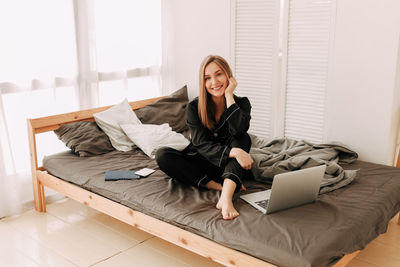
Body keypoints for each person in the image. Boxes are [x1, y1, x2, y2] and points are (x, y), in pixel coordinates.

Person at [156, 55, 253, 220]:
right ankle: (217, 187)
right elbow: (201, 144)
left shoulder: (242, 103)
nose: (214, 82)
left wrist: (229, 95)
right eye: (207, 78)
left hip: (226, 167)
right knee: (162, 155)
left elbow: (238, 129)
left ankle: (226, 198)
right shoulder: (194, 107)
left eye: (219, 74)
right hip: (202, 162)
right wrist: (235, 152)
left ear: (228, 75)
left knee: (242, 139)